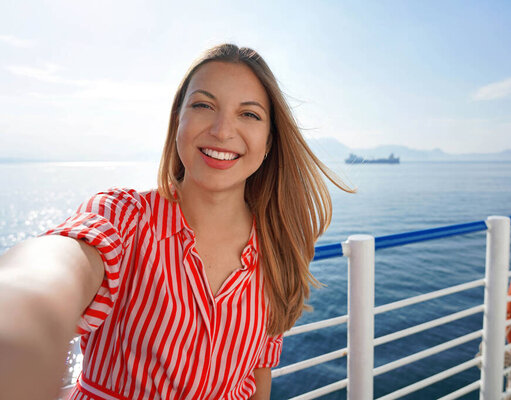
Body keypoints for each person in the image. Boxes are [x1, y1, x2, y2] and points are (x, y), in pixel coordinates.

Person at [0, 43, 352, 400]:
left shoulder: (277, 251)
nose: (221, 130)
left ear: (269, 141)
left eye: (249, 114)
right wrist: (23, 305)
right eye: (203, 105)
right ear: (177, 120)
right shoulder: (125, 219)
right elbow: (54, 268)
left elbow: (257, 379)